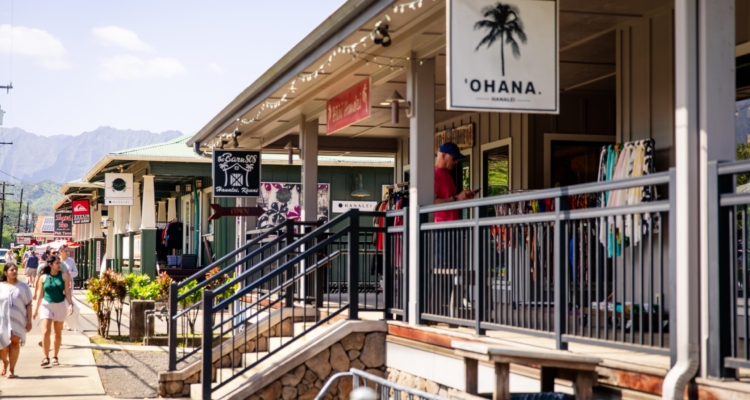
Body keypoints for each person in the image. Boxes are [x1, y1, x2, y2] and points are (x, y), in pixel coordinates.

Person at [32, 255, 72, 367]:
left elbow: (67, 292)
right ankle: (45, 357)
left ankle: (55, 356)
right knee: (45, 332)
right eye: (57, 263)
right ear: (50, 264)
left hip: (60, 305)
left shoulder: (64, 276)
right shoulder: (43, 277)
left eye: (60, 263)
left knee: (57, 333)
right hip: (46, 305)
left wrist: (71, 304)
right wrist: (35, 309)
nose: (59, 265)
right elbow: (40, 294)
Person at [0, 264, 33, 378]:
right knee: (2, 344)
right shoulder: (1, 286)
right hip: (2, 319)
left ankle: (11, 370)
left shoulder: (23, 286)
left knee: (15, 343)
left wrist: (29, 321)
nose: (14, 271)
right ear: (5, 273)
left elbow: (28, 304)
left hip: (17, 318)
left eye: (15, 269)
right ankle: (5, 361)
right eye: (11, 270)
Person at [434, 142, 476, 222]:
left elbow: (450, 199)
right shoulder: (433, 175)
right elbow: (431, 203)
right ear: (443, 155)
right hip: (441, 227)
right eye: (454, 158)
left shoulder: (447, 174)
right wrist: (456, 198)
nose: (456, 162)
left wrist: (462, 198)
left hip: (454, 226)